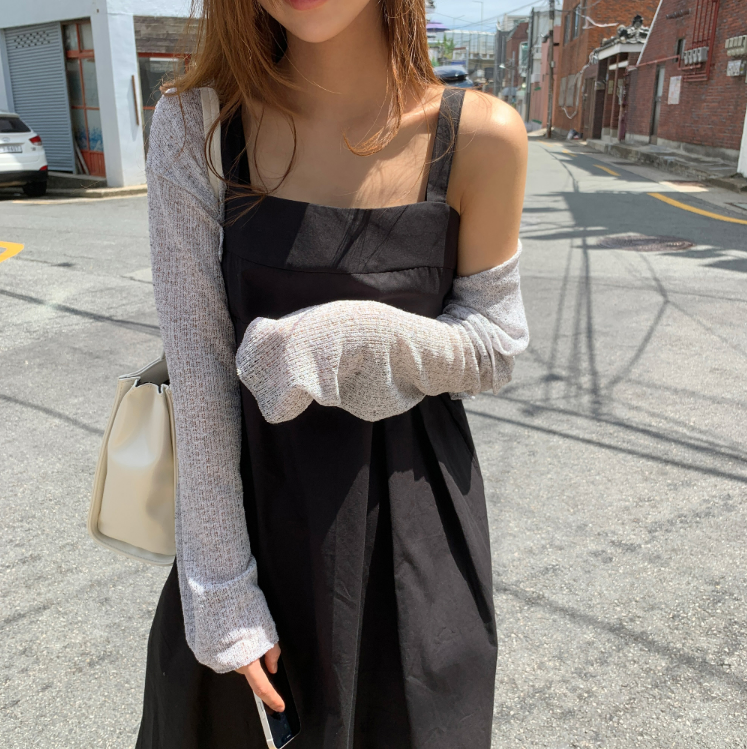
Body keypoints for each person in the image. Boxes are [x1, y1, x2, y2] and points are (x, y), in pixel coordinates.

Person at [136, 0, 529, 747]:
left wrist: (361, 337)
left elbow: (495, 344)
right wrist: (221, 595)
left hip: (415, 544)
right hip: (252, 538)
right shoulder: (197, 126)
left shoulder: (481, 134)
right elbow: (199, 372)